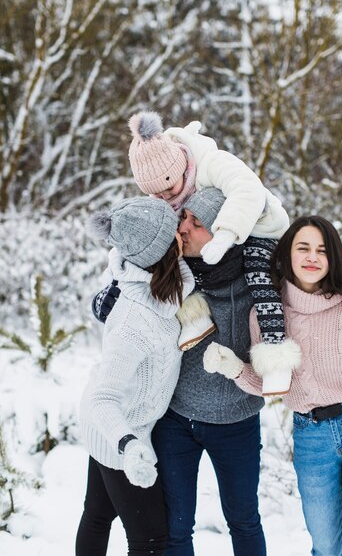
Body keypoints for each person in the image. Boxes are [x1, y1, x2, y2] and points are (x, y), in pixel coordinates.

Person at [204, 215, 342, 556]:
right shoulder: (266, 313)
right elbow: (271, 383)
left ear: (332, 257)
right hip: (312, 437)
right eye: (303, 247)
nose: (312, 257)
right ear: (287, 254)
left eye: (322, 250)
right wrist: (234, 369)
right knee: (325, 547)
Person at [126, 111, 298, 394]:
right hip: (212, 236)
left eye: (170, 188)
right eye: (157, 194)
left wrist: (226, 234)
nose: (167, 197)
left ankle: (276, 354)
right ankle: (194, 318)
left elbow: (247, 190)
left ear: (181, 166)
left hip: (259, 227)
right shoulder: (163, 189)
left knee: (259, 274)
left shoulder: (211, 162)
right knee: (170, 256)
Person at [150, 187, 272, 556]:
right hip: (176, 419)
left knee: (243, 520)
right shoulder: (171, 272)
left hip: (237, 422)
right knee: (175, 526)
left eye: (196, 222)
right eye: (183, 218)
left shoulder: (259, 280)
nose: (183, 228)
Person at [75, 197, 195, 556]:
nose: (183, 232)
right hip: (120, 434)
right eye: (175, 229)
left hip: (122, 428)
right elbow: (103, 398)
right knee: (150, 541)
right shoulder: (133, 321)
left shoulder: (167, 287)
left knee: (97, 514)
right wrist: (129, 446)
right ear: (162, 249)